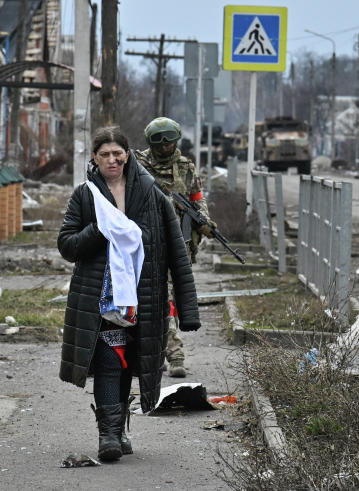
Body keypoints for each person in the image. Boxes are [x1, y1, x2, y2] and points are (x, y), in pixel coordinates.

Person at [57, 125, 200, 462]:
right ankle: (108, 433)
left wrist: (188, 309)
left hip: (143, 297)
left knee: (126, 364)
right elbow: (67, 245)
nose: (111, 159)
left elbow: (177, 253)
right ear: (94, 157)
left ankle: (120, 427)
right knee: (109, 359)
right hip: (100, 296)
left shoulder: (152, 195)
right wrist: (98, 230)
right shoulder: (85, 195)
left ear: (127, 154)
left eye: (117, 153)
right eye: (104, 154)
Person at [135, 117, 215, 378]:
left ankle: (160, 351)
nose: (166, 148)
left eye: (170, 143)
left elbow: (197, 199)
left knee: (170, 298)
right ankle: (174, 352)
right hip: (146, 242)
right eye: (160, 144)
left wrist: (203, 220)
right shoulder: (138, 166)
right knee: (160, 298)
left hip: (179, 244)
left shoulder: (186, 168)